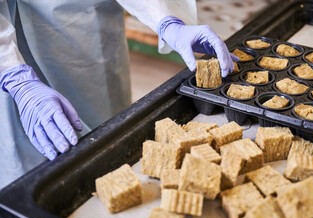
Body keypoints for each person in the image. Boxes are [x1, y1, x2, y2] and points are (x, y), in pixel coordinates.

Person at [0, 0, 238, 189]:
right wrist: (15, 76)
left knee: (107, 146)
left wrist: (166, 20)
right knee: (23, 174)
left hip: (83, 31)